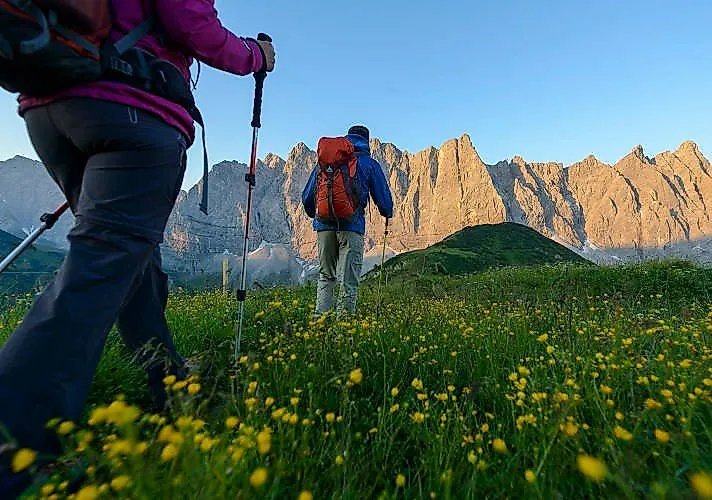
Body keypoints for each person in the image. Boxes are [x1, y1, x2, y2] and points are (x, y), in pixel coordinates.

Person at [0, 0, 275, 495]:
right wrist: (256, 56)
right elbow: (190, 21)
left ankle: (168, 384)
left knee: (134, 262)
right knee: (101, 267)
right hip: (130, 108)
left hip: (51, 100)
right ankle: (14, 441)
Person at [302, 125, 394, 316]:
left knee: (326, 276)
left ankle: (320, 327)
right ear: (367, 141)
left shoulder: (326, 162)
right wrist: (387, 213)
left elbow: (307, 197)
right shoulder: (369, 164)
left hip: (324, 227)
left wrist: (316, 215)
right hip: (352, 227)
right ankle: (342, 334)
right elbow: (384, 201)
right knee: (348, 282)